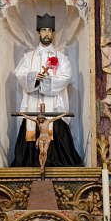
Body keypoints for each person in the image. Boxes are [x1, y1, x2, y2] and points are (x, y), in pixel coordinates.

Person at [11, 13, 83, 168]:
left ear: (53, 33)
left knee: (59, 141)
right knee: (29, 136)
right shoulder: (28, 57)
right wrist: (34, 78)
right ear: (38, 33)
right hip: (32, 106)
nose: (46, 34)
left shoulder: (61, 58)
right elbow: (19, 73)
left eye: (50, 31)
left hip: (55, 107)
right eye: (43, 30)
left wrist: (44, 80)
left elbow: (65, 77)